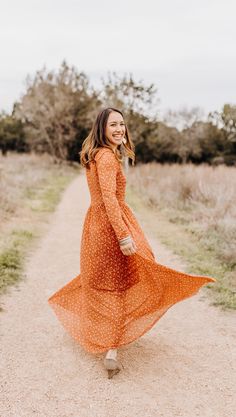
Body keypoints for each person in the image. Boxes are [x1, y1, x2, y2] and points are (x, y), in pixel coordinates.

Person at [48, 107, 216, 379]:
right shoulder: (105, 157)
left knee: (105, 280)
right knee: (125, 280)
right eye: (113, 125)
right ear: (101, 127)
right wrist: (124, 235)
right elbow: (110, 198)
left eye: (122, 125)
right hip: (111, 227)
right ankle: (111, 347)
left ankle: (109, 336)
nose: (119, 130)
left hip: (97, 224)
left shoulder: (96, 154)